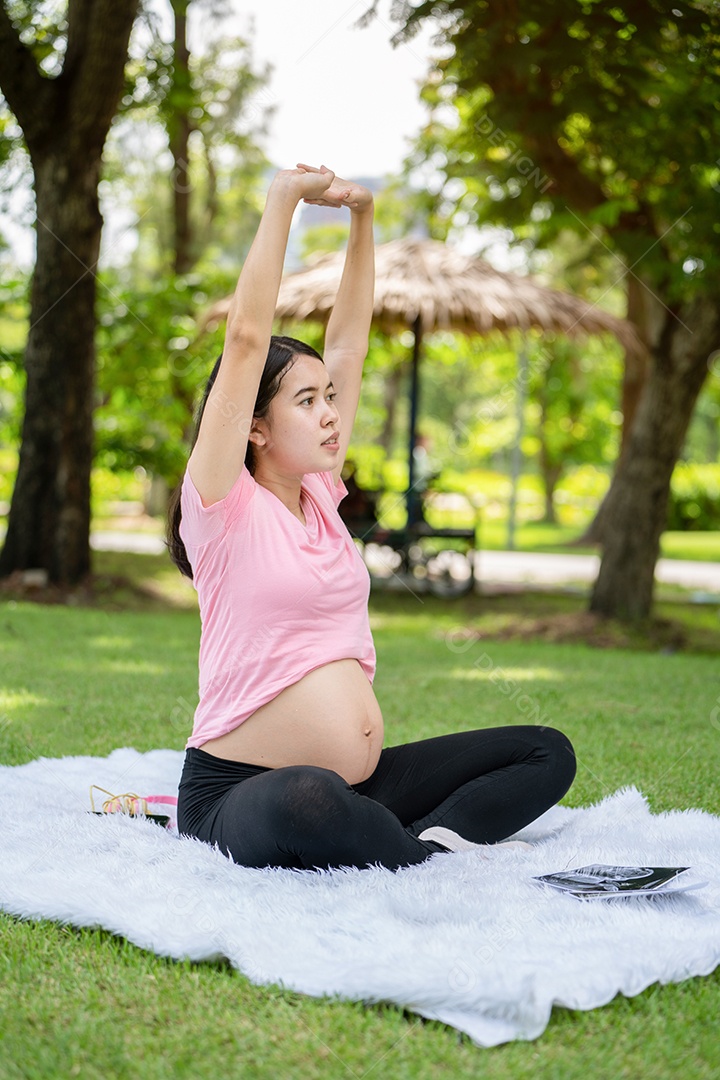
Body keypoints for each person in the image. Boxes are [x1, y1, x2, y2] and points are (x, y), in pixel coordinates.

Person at [167, 162, 576, 872]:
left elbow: (350, 340)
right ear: (254, 429)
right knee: (309, 797)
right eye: (306, 402)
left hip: (365, 778)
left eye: (330, 398)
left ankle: (417, 845)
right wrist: (283, 200)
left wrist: (362, 221)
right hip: (242, 789)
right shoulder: (220, 508)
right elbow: (245, 339)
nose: (330, 415)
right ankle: (410, 852)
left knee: (546, 752)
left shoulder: (322, 496)